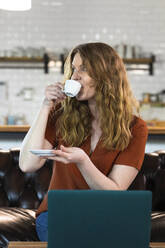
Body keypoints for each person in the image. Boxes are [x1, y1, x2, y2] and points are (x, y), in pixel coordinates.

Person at [19, 42, 148, 241]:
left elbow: (115, 192)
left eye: (84, 69)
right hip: (57, 215)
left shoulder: (134, 128)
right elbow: (27, 164)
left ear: (106, 75)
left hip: (105, 216)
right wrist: (45, 106)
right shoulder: (61, 115)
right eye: (73, 69)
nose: (74, 76)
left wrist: (83, 162)